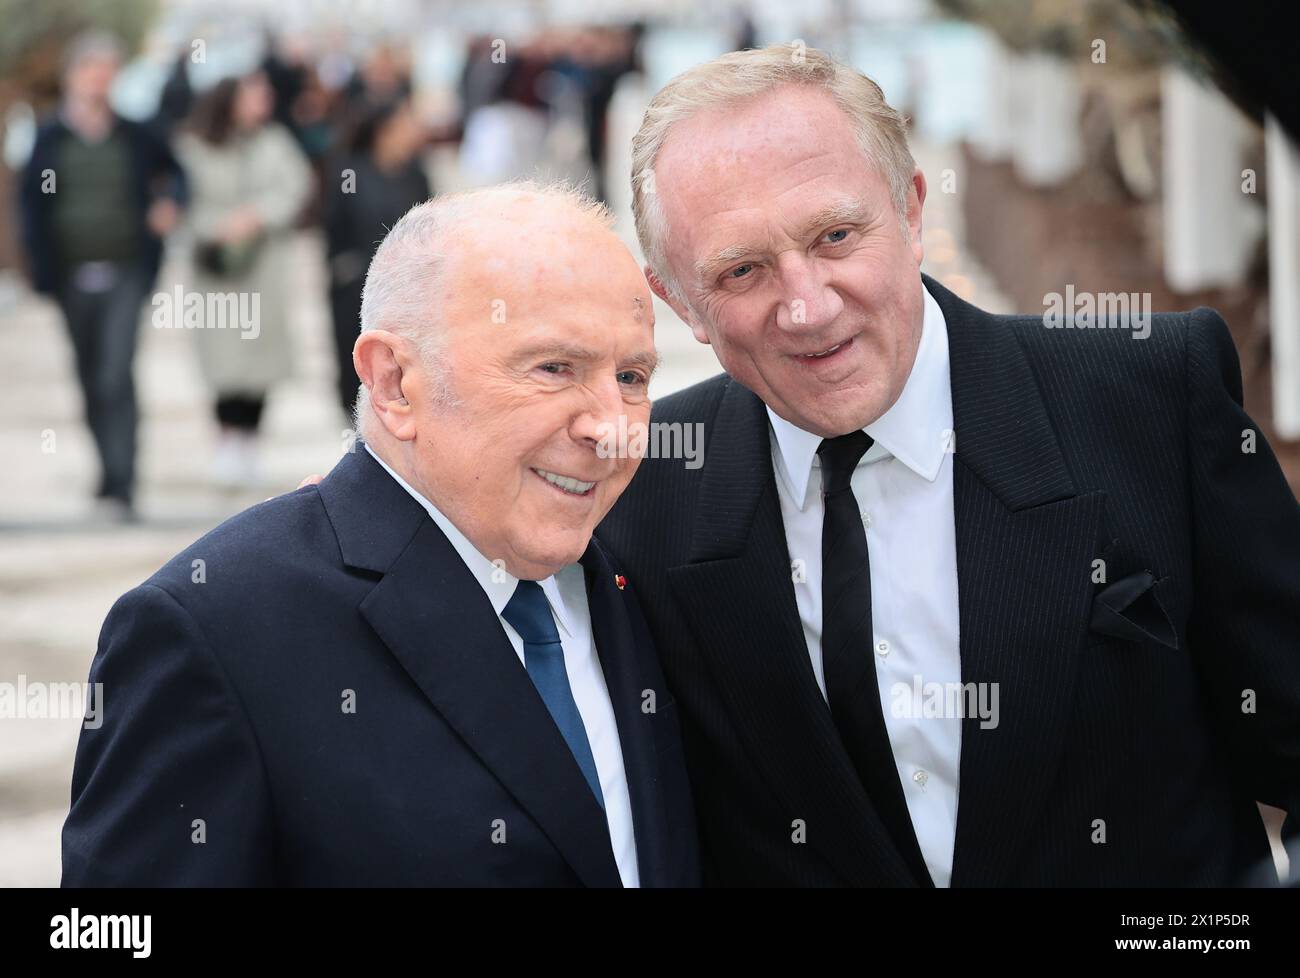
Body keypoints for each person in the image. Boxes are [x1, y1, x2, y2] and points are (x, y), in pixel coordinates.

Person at [593, 43, 1300, 886]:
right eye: (741, 270)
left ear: (915, 209)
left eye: (836, 235)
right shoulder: (641, 493)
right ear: (677, 301)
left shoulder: (1151, 394)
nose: (808, 306)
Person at [61, 183, 700, 887]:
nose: (611, 428)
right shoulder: (218, 630)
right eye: (554, 369)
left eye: (633, 377)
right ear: (394, 383)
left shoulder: (644, 575)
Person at [19, 31, 186, 517]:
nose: (100, 82)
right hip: (72, 276)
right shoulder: (50, 137)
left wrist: (169, 203)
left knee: (116, 373)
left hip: (127, 269)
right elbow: (31, 205)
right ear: (73, 77)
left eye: (108, 72)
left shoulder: (136, 133)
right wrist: (38, 268)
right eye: (91, 71)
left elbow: (176, 173)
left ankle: (124, 483)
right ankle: (107, 473)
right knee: (90, 377)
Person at [175, 70, 312, 489]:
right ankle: (226, 440)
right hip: (214, 270)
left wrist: (258, 216)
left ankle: (250, 441)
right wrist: (216, 226)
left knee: (260, 359)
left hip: (263, 269)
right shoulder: (194, 146)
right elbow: (180, 201)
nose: (264, 99)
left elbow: (296, 188)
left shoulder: (275, 143)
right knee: (221, 358)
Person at [323, 96, 431, 418]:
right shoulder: (350, 172)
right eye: (406, 122)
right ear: (385, 130)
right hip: (355, 287)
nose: (414, 130)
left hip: (406, 288)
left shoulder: (415, 173)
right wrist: (344, 270)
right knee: (356, 365)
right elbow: (333, 229)